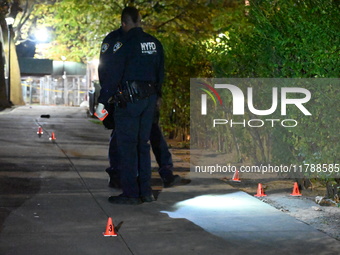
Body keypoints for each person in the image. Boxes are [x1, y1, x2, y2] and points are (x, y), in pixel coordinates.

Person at [96, 6, 165, 204]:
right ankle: (146, 191)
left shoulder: (122, 43)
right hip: (149, 99)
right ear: (140, 21)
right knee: (143, 145)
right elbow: (161, 71)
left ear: (124, 23)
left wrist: (103, 101)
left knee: (127, 147)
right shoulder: (154, 43)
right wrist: (157, 96)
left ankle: (131, 193)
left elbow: (112, 73)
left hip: (128, 100)